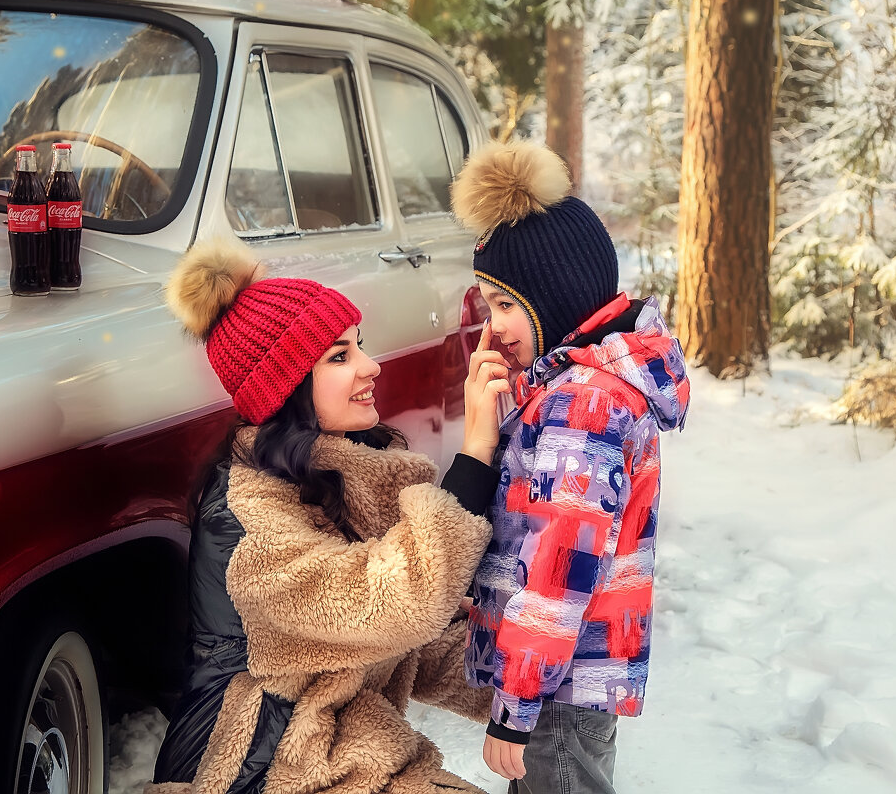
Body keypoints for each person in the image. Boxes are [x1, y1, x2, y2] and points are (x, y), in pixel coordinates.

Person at [147, 235, 509, 794]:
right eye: (339, 356)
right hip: (259, 769)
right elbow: (393, 603)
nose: (371, 367)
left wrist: (532, 685)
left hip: (336, 751)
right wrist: (475, 454)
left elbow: (416, 646)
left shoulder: (342, 479)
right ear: (286, 387)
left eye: (359, 345)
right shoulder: (247, 522)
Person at [449, 142, 692, 794]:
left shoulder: (579, 406)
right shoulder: (585, 388)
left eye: (503, 306)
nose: (491, 328)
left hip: (557, 684)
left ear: (553, 297)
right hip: (571, 677)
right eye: (485, 305)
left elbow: (556, 571)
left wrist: (518, 701)